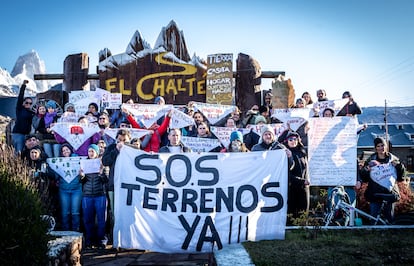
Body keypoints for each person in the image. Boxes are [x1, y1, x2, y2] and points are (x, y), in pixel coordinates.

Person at [359, 137, 405, 223]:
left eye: (383, 145)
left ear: (386, 146)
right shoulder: (370, 160)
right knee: (374, 218)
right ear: (375, 148)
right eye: (378, 146)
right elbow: (364, 178)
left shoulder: (393, 159)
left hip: (389, 192)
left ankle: (390, 234)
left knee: (389, 218)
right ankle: (375, 234)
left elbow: (401, 177)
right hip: (375, 193)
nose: (381, 148)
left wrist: (399, 166)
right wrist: (366, 170)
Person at [101, 129, 131, 240]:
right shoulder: (111, 148)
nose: (122, 142)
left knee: (129, 213)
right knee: (115, 213)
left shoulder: (133, 149)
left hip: (130, 187)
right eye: (119, 140)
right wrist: (116, 150)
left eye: (124, 140)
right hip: (113, 185)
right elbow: (105, 161)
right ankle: (115, 239)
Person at [80, 144, 108, 249]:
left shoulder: (102, 163)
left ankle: (101, 240)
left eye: (92, 151)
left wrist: (101, 173)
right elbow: (81, 182)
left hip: (100, 195)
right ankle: (89, 240)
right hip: (87, 195)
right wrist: (81, 176)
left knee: (101, 219)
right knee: (88, 219)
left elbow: (106, 181)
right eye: (89, 151)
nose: (90, 154)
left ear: (96, 152)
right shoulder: (84, 164)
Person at [53, 143, 82, 231]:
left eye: (67, 149)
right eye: (63, 150)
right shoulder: (59, 162)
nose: (65, 152)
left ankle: (75, 230)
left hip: (76, 189)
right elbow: (56, 174)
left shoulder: (77, 159)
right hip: (63, 189)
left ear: (70, 150)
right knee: (65, 212)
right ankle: (65, 231)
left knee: (75, 212)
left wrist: (81, 174)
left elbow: (82, 172)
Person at [283, 132, 310, 223]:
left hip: (304, 187)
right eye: (290, 139)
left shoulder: (302, 152)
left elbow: (306, 169)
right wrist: (301, 181)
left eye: (295, 139)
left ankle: (302, 231)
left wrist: (306, 181)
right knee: (292, 212)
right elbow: (286, 173)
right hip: (292, 187)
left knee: (303, 211)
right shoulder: (285, 154)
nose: (293, 141)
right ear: (287, 141)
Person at [12, 80, 34, 154]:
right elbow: (20, 97)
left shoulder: (31, 112)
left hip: (26, 135)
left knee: (24, 153)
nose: (28, 104)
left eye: (30, 103)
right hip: (18, 134)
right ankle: (15, 165)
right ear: (23, 103)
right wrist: (23, 85)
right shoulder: (20, 109)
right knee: (19, 152)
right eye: (27, 102)